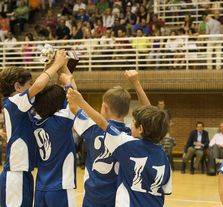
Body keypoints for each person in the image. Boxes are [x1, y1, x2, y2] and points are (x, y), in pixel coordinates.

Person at [67, 70, 150, 207]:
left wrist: (68, 81)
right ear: (127, 110)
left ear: (104, 107)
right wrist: (136, 83)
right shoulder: (130, 135)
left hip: (93, 198)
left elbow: (73, 105)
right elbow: (149, 114)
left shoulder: (92, 128)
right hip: (118, 198)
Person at [69, 103, 172, 207]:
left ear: (140, 129)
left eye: (133, 122)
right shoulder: (165, 159)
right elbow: (166, 190)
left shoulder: (128, 145)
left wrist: (80, 101)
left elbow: (103, 124)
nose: (131, 124)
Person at [0, 50, 67, 207]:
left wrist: (50, 66)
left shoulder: (22, 105)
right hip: (14, 176)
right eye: (29, 85)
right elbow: (38, 86)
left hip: (24, 175)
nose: (33, 88)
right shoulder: (13, 102)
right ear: (17, 86)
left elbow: (40, 89)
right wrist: (57, 64)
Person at [30, 68, 77, 207]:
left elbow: (40, 97)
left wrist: (54, 67)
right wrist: (68, 80)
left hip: (40, 187)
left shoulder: (34, 120)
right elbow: (75, 99)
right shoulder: (62, 121)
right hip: (60, 186)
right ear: (58, 105)